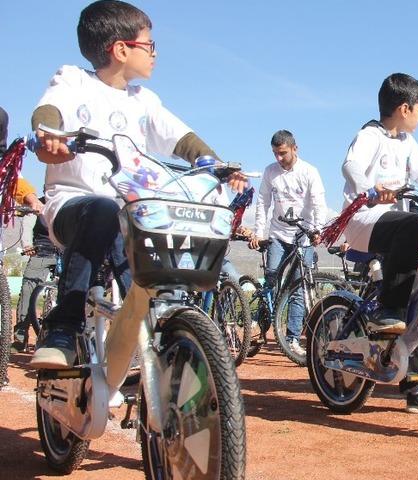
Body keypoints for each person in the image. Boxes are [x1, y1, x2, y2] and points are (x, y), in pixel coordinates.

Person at [28, 0, 245, 369]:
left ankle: (159, 330)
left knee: (153, 226)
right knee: (105, 209)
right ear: (121, 49)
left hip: (130, 212)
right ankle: (62, 326)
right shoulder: (73, 80)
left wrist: (216, 164)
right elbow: (49, 111)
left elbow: (181, 136)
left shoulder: (144, 101)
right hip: (74, 206)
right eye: (150, 45)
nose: (155, 53)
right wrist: (48, 135)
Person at [340, 73, 418, 414]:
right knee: (415, 225)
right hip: (363, 221)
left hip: (395, 227)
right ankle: (387, 310)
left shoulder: (407, 142)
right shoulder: (370, 134)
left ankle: (416, 386)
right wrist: (368, 190)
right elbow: (351, 166)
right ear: (404, 108)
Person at [248, 130, 326, 358]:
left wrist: (317, 229)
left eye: (282, 153)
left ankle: (291, 338)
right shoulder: (270, 172)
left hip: (303, 235)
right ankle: (259, 322)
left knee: (298, 288)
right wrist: (258, 231)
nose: (278, 158)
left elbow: (319, 203)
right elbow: (262, 202)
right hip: (278, 235)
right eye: (275, 154)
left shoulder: (310, 172)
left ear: (295, 148)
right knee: (271, 279)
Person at [12, 199, 59, 352]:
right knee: (27, 289)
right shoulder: (37, 203)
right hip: (41, 252)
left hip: (66, 254)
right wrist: (27, 245)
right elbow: (27, 225)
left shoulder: (72, 203)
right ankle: (20, 338)